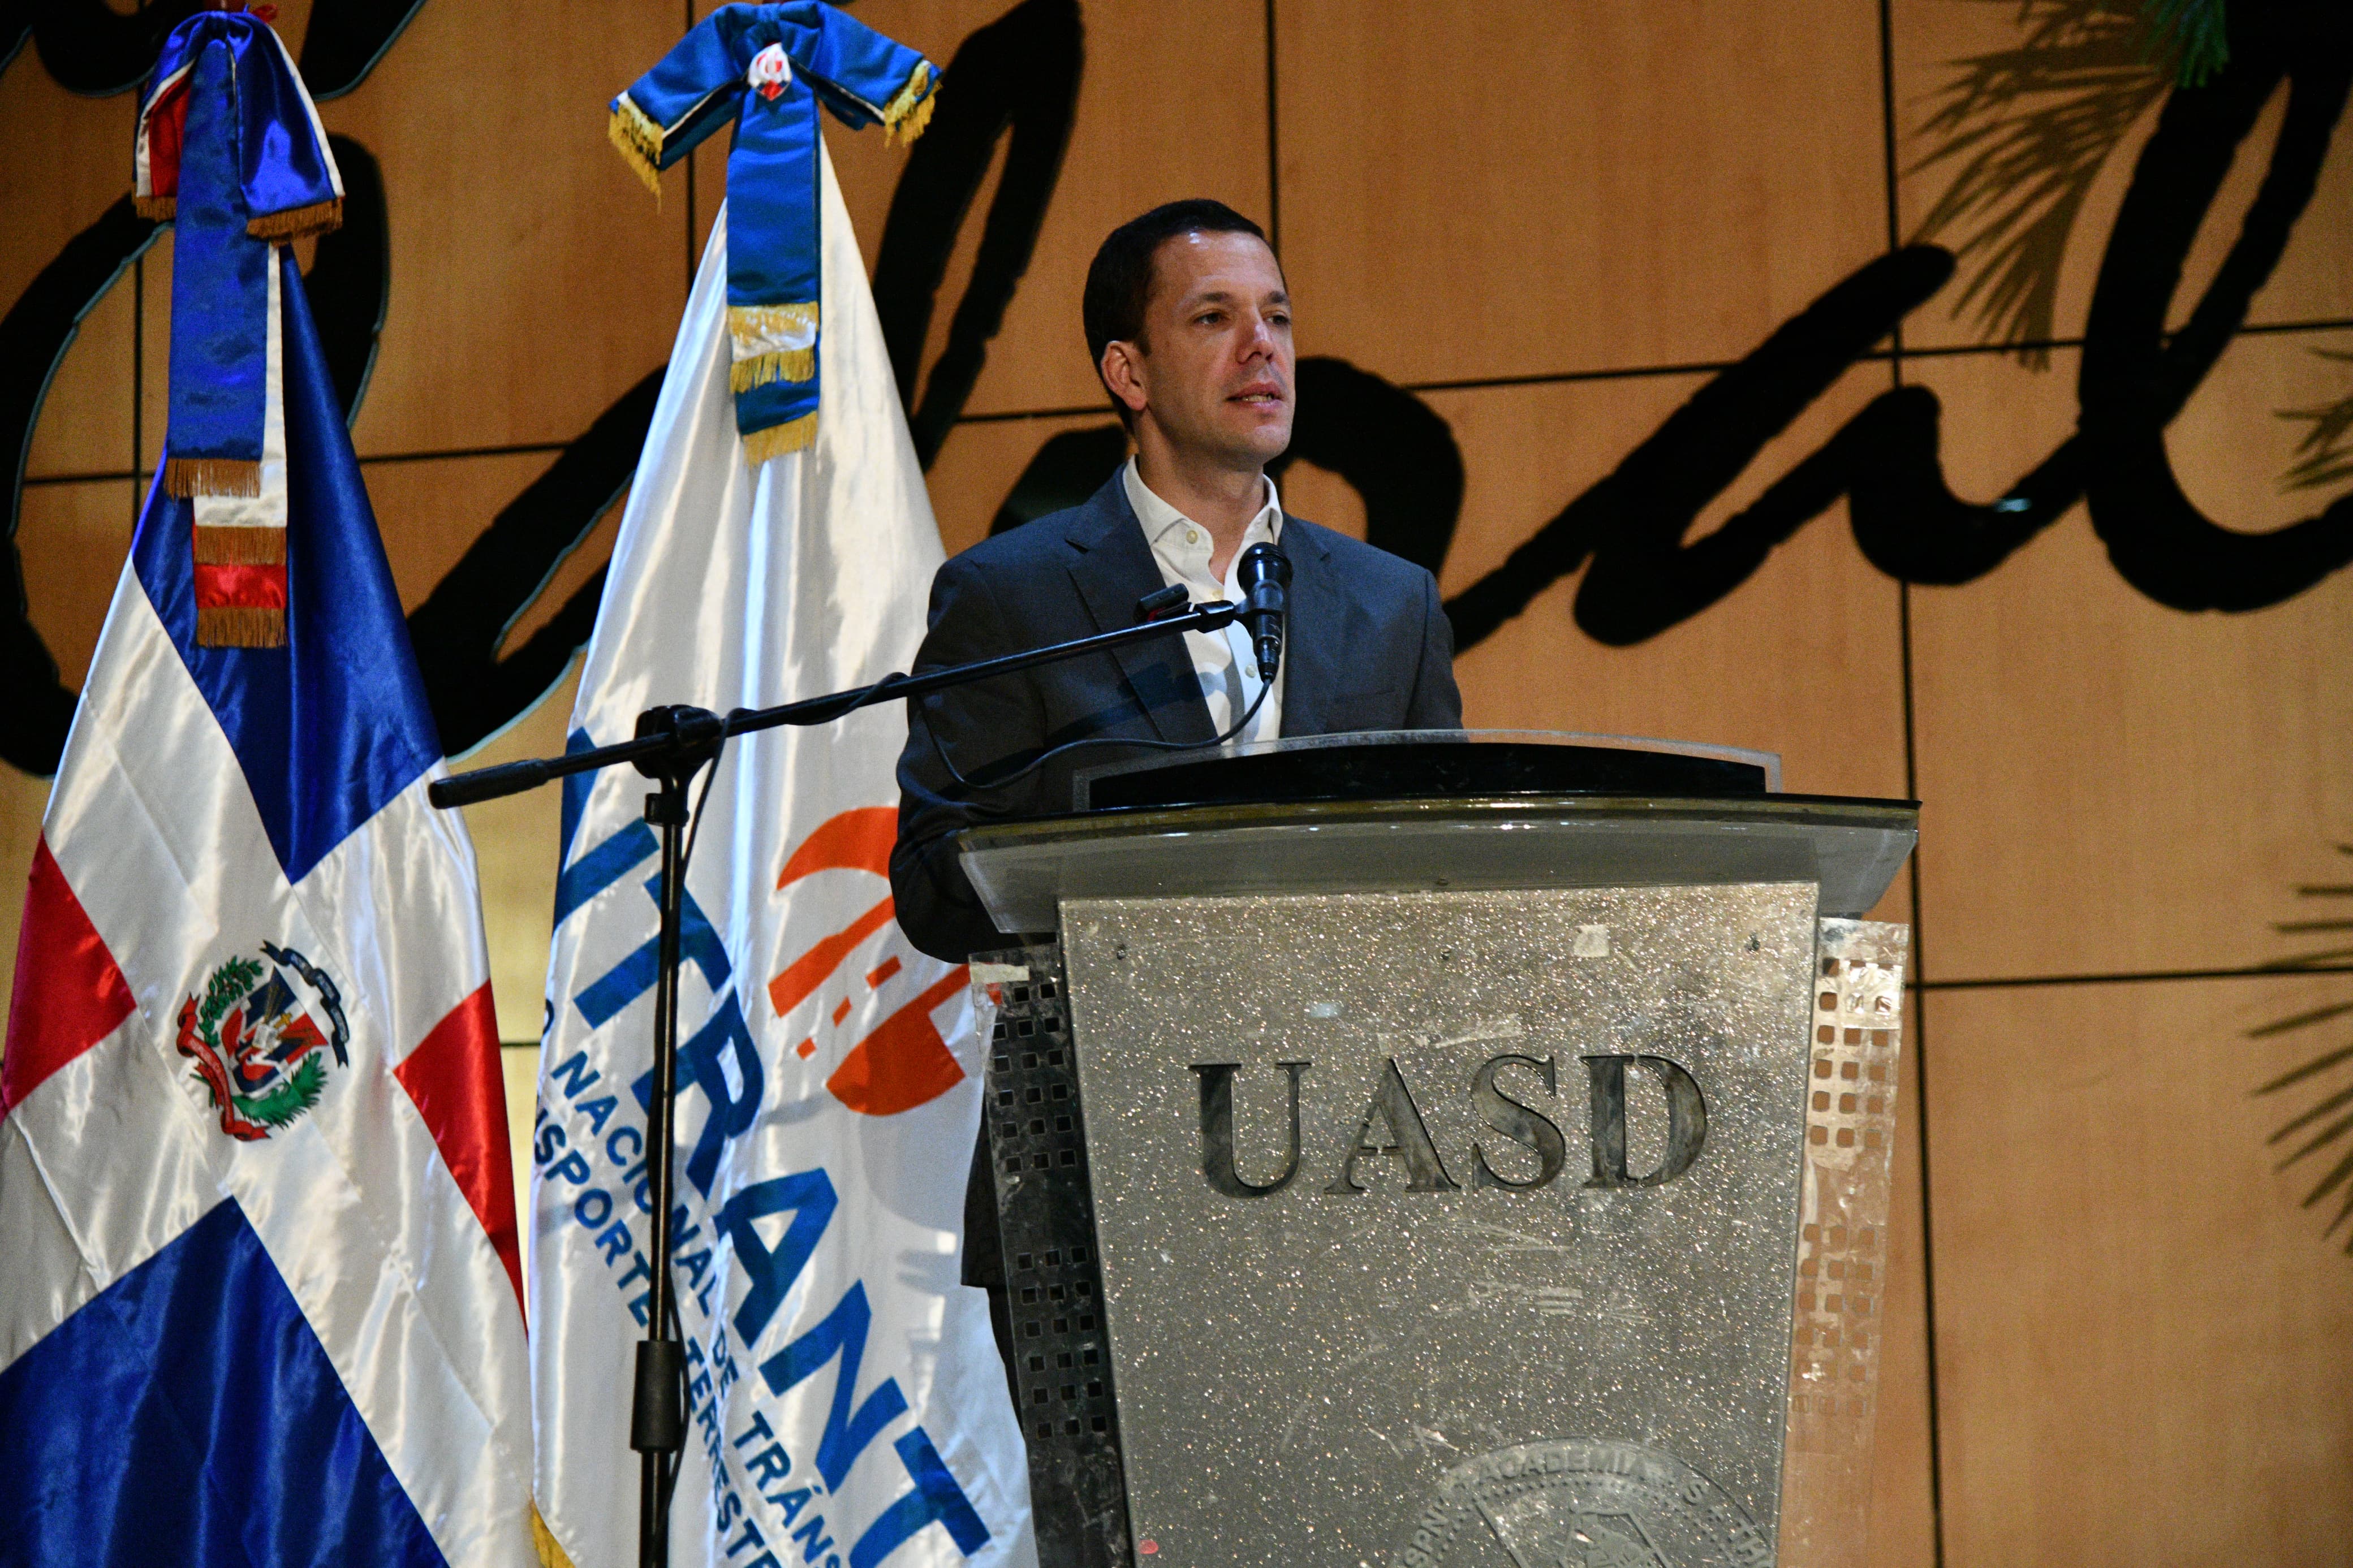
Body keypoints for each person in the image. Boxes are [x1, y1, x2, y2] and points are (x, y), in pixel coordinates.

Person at [890, 199, 1463, 961]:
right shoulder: (1009, 596)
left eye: (1278, 317)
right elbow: (934, 884)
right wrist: (1129, 881)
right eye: (1214, 318)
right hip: (1114, 1029)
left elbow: (1452, 855)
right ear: (1129, 373)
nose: (1262, 346)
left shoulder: (1393, 602)